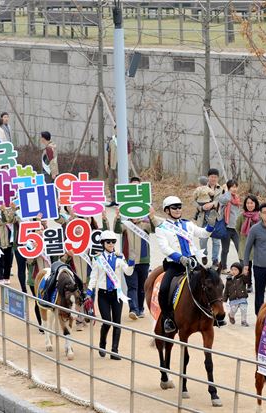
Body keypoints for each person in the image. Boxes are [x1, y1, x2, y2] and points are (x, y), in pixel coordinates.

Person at [155, 195, 215, 334]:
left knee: (212, 281)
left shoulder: (187, 224)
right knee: (164, 289)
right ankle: (168, 318)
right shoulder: (162, 228)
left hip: (192, 262)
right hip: (175, 264)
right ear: (167, 210)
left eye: (179, 207)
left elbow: (204, 234)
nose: (177, 210)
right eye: (174, 207)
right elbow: (165, 248)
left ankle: (214, 313)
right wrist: (180, 258)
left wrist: (211, 224)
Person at [86, 230, 134, 359]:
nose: (111, 244)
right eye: (108, 242)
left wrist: (131, 262)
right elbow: (94, 277)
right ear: (103, 243)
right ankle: (102, 344)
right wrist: (89, 292)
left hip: (116, 294)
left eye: (113, 242)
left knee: (117, 323)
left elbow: (128, 272)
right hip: (103, 295)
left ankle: (114, 351)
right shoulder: (98, 259)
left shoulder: (119, 257)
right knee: (107, 321)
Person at [114, 202, 158, 320]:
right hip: (129, 261)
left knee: (142, 287)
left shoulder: (145, 224)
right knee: (132, 286)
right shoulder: (125, 224)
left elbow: (155, 229)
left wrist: (152, 216)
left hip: (144, 260)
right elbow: (117, 230)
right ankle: (133, 309)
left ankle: (140, 309)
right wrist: (117, 217)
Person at [193, 168, 222, 269]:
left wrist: (213, 204)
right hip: (203, 217)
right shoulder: (201, 188)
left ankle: (215, 260)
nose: (213, 178)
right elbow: (194, 202)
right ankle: (204, 255)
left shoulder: (221, 189)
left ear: (218, 178)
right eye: (211, 176)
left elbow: (222, 201)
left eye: (215, 177)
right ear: (208, 177)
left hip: (216, 217)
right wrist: (201, 207)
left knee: (216, 241)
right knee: (203, 239)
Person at [236, 194, 259, 292]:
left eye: (252, 203)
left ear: (255, 204)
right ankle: (248, 284)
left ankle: (258, 284)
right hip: (244, 244)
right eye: (248, 203)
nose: (250, 205)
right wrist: (243, 237)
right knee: (246, 265)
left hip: (257, 245)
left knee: (257, 267)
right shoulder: (242, 216)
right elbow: (237, 228)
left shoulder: (260, 215)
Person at [218, 179, 241, 272]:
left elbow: (237, 213)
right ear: (228, 188)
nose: (234, 189)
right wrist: (227, 191)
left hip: (235, 228)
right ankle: (223, 267)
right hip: (226, 227)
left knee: (239, 249)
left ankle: (243, 268)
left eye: (236, 187)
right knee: (225, 250)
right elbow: (226, 199)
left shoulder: (236, 198)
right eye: (232, 187)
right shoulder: (223, 197)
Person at [224, 262, 249, 326]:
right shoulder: (229, 280)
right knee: (233, 310)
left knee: (244, 309)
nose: (233, 271)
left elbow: (247, 281)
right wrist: (224, 299)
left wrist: (246, 274)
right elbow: (226, 290)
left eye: (235, 270)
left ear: (240, 271)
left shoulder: (242, 278)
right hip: (233, 298)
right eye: (232, 269)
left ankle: (244, 321)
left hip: (242, 297)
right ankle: (231, 315)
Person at [105, 130, 118, 206]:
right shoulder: (111, 141)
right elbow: (107, 152)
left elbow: (129, 153)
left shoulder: (125, 140)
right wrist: (106, 163)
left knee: (119, 183)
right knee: (110, 182)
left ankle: (120, 200)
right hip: (111, 165)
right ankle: (113, 200)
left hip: (120, 165)